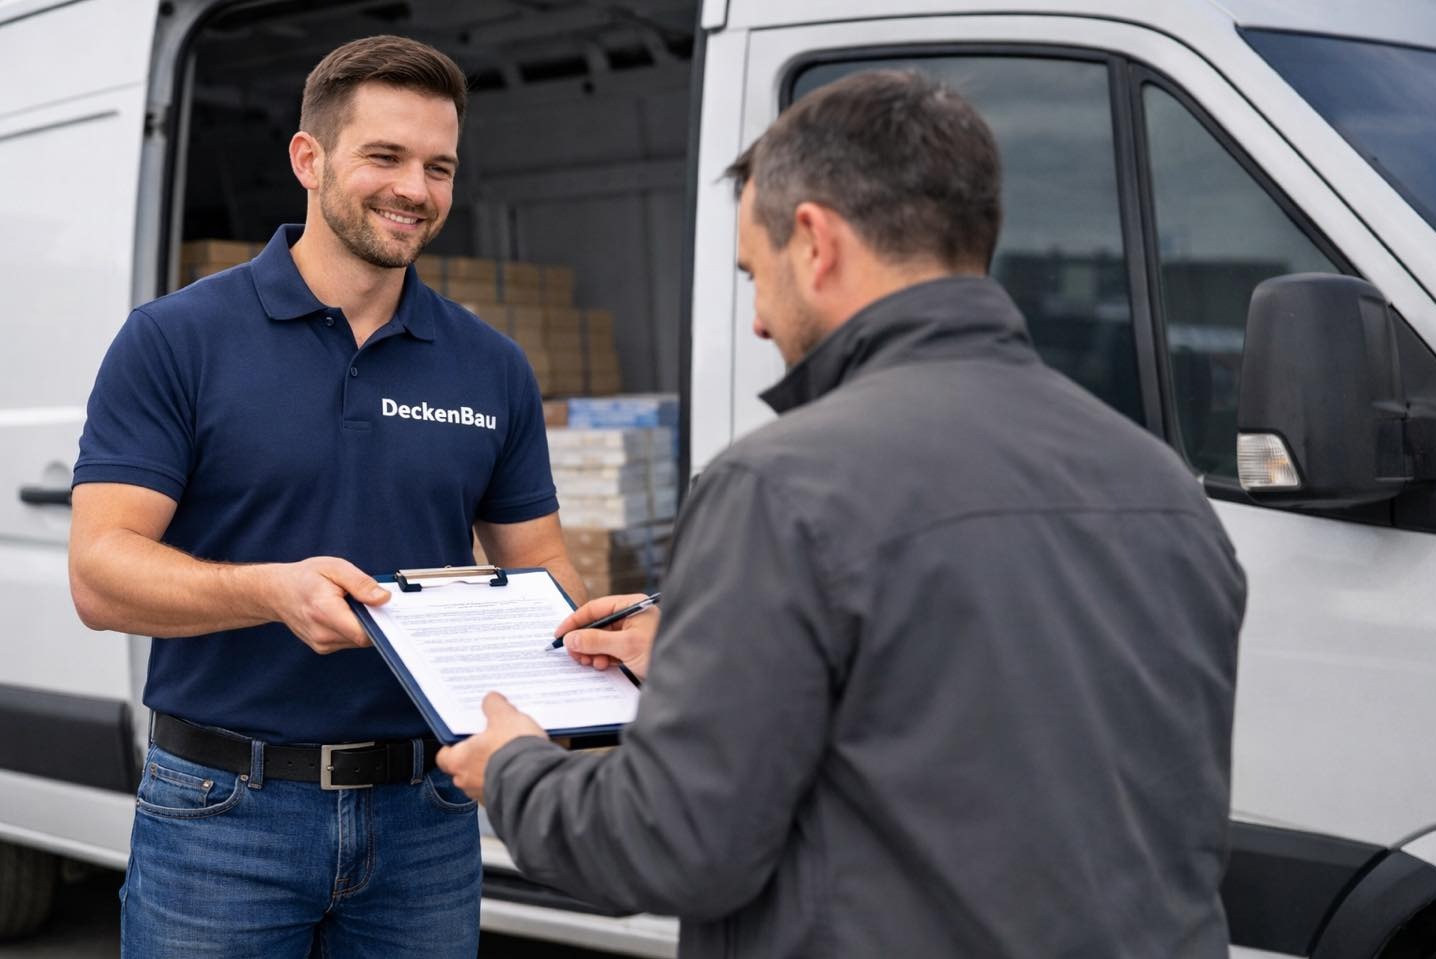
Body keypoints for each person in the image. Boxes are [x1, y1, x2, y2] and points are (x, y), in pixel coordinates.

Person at [437, 69, 1247, 957]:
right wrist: (710, 646)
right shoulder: (1165, 486)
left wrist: (512, 766)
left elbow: (668, 846)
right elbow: (983, 705)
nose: (756, 322)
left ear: (815, 242)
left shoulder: (782, 488)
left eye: (755, 273)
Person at [68, 34, 583, 958]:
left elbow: (542, 569)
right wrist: (270, 590)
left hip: (425, 815)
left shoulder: (491, 365)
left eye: (439, 166)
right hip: (224, 812)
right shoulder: (175, 340)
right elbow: (101, 577)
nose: (414, 189)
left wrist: (609, 642)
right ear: (309, 159)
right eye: (384, 157)